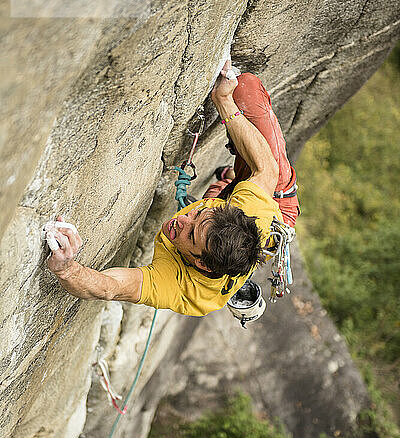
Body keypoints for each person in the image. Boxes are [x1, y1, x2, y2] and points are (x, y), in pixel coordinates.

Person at [47, 61, 299, 315]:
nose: (181, 221)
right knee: (245, 88)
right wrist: (223, 101)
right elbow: (267, 168)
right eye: (196, 215)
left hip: (244, 213)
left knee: (223, 187)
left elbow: (110, 287)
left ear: (202, 264)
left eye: (190, 236)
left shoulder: (182, 289)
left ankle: (228, 181)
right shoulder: (249, 211)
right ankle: (229, 182)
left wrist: (66, 267)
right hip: (277, 205)